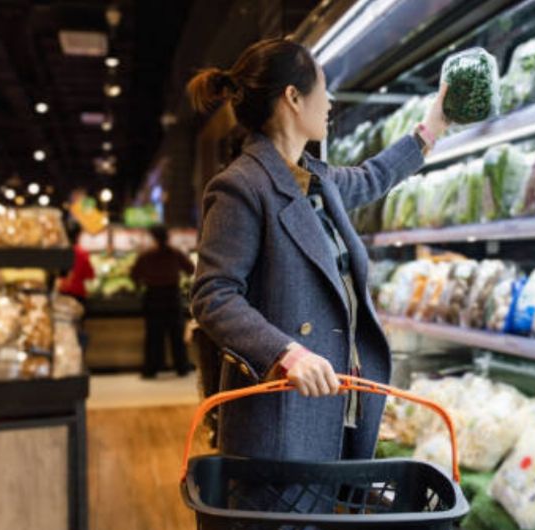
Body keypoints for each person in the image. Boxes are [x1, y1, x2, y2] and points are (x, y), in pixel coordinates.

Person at [188, 38, 448, 467]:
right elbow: (213, 296)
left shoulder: (316, 179)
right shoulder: (240, 186)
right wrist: (286, 353)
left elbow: (372, 176)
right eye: (322, 88)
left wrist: (433, 126)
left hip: (334, 406)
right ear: (293, 97)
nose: (328, 102)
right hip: (280, 416)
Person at [131, 225, 196, 377]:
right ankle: (182, 367)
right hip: (171, 296)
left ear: (153, 238)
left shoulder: (146, 255)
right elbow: (191, 269)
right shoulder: (174, 253)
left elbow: (134, 275)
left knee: (153, 335)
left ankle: (151, 369)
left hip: (153, 296)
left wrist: (144, 281)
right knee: (176, 334)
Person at [59, 224, 95, 301]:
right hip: (78, 293)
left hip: (62, 292)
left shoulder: (59, 252)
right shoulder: (82, 253)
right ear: (78, 236)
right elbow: (90, 275)